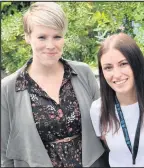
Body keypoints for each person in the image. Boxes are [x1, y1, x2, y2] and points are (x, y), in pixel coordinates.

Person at [1, 2, 108, 167]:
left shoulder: (83, 73)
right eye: (42, 37)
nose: (50, 45)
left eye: (57, 36)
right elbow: (4, 153)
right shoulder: (8, 88)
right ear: (27, 37)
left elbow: (106, 125)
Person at [90, 33, 144, 167]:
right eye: (108, 67)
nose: (117, 74)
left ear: (137, 64)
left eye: (123, 64)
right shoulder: (98, 109)